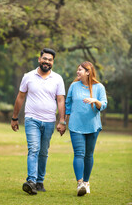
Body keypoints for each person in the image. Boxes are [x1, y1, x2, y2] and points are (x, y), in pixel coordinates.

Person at [11, 48, 66, 195]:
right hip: (31, 119)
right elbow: (20, 97)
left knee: (43, 152)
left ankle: (40, 181)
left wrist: (62, 121)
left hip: (49, 121)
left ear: (52, 62)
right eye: (45, 58)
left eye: (50, 60)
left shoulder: (58, 79)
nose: (47, 61)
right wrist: (14, 117)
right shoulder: (28, 76)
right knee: (34, 149)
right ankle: (31, 181)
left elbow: (61, 100)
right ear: (39, 59)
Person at [65, 61, 107, 196]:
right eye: (77, 70)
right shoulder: (73, 86)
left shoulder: (99, 87)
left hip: (93, 126)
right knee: (79, 154)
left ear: (88, 72)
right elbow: (68, 104)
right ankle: (80, 183)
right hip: (76, 126)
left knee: (89, 155)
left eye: (80, 70)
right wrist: (63, 121)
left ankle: (86, 182)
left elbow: (104, 105)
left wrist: (95, 101)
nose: (78, 72)